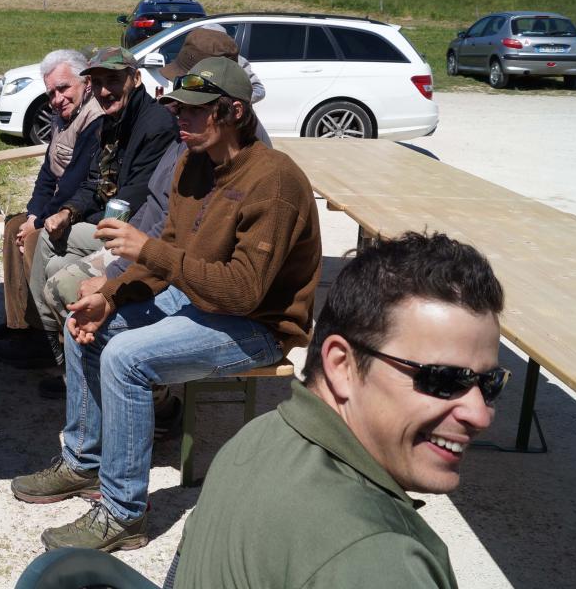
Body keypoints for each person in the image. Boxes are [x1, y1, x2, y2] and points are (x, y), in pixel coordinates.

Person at [11, 57, 322, 552]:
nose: (182, 118)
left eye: (196, 111)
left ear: (234, 112)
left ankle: (122, 514)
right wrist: (110, 296)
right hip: (200, 298)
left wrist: (146, 251)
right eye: (178, 107)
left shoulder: (273, 181)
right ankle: (84, 463)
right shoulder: (192, 162)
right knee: (85, 320)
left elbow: (242, 292)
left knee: (125, 358)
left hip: (256, 323)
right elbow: (169, 254)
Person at [173, 232, 507, 588]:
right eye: (443, 379)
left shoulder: (258, 437)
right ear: (341, 365)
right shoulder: (379, 560)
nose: (480, 414)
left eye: (490, 384)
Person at [25, 46, 175, 347]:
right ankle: (56, 345)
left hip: (134, 229)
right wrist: (66, 212)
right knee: (51, 257)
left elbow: (135, 195)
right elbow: (93, 181)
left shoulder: (156, 124)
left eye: (114, 80)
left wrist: (78, 217)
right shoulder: (111, 121)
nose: (105, 90)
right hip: (108, 220)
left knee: (42, 240)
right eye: (99, 82)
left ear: (135, 78)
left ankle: (43, 342)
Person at [0, 49, 103, 369]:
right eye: (51, 91)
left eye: (63, 88)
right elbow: (47, 173)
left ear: (86, 83)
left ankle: (44, 333)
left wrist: (38, 221)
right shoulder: (61, 118)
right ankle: (20, 327)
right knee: (15, 226)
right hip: (58, 204)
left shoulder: (94, 121)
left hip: (81, 210)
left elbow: (75, 184)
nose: (56, 98)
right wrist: (31, 214)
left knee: (34, 237)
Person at [158, 26, 271, 146]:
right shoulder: (199, 138)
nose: (181, 87)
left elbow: (258, 90)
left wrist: (226, 103)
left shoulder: (240, 143)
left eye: (190, 82)